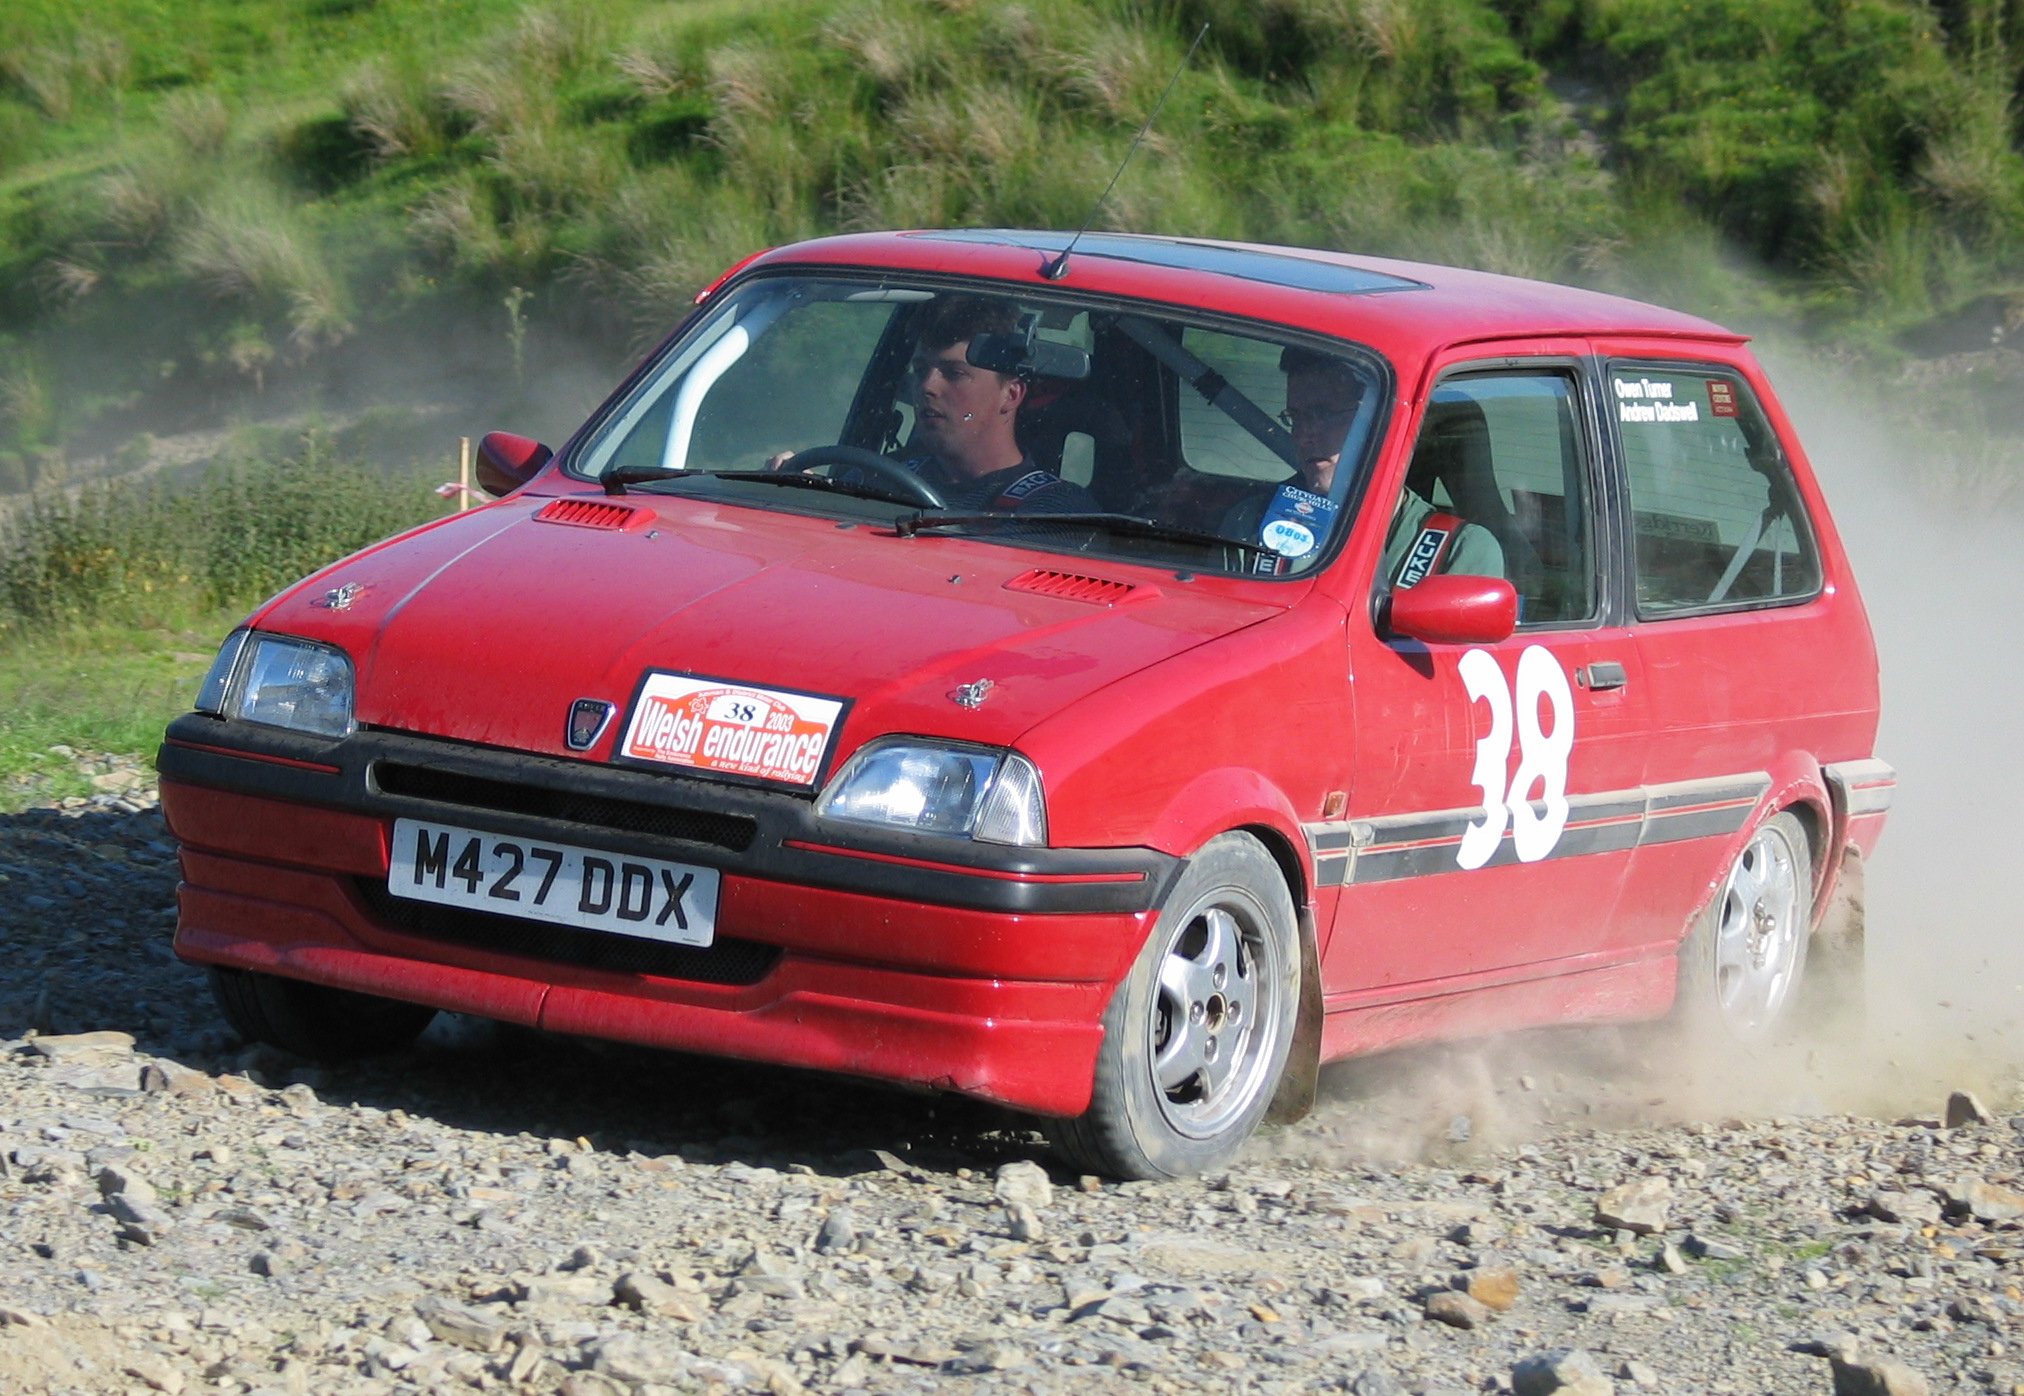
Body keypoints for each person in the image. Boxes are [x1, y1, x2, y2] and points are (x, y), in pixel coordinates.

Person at [773, 295, 1097, 515]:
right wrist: (799, 496)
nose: (927, 387)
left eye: (954, 374)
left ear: (1011, 395)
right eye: (921, 370)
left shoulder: (1054, 510)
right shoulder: (878, 479)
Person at [1234, 346, 1504, 583]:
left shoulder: (1457, 550)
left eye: (1324, 414)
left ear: (1376, 422)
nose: (1305, 434)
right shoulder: (1252, 521)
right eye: (1296, 416)